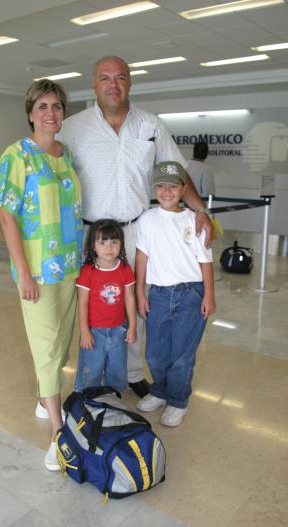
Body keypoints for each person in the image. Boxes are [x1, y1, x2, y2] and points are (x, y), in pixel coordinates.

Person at [59, 55, 213, 398]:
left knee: (133, 302)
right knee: (91, 301)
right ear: (94, 84)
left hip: (136, 231)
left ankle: (129, 373)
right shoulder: (72, 127)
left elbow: (175, 170)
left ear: (130, 82)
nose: (113, 85)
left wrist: (200, 209)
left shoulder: (151, 125)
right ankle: (91, 373)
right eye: (104, 78)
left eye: (120, 77)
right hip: (89, 233)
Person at [0, 79, 83, 471]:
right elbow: (7, 215)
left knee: (62, 343)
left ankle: (43, 394)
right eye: (43, 106)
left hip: (69, 265)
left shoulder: (67, 156)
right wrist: (24, 273)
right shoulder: (17, 156)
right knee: (47, 348)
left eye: (57, 106)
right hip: (37, 272)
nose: (51, 113)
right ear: (30, 112)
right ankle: (57, 432)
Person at [135, 161, 216, 427]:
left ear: (183, 189)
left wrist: (208, 295)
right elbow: (142, 258)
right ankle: (160, 391)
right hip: (158, 294)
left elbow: (205, 262)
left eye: (173, 185)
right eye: (160, 186)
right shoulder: (147, 219)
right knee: (156, 353)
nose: (166, 191)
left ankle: (178, 400)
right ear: (154, 189)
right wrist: (140, 291)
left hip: (190, 294)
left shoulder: (195, 220)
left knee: (181, 354)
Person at [74, 219, 137, 392]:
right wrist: (85, 332)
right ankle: (86, 398)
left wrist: (132, 327)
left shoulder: (125, 269)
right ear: (93, 246)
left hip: (118, 330)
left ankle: (113, 399)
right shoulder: (88, 272)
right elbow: (82, 302)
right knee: (91, 369)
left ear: (121, 244)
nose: (109, 248)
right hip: (94, 332)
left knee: (117, 370)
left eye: (114, 242)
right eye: (102, 242)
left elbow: (129, 298)